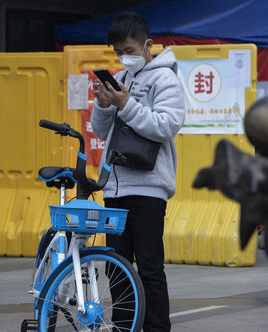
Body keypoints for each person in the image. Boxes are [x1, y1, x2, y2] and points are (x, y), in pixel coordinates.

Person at [91, 11, 185, 332]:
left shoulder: (165, 78)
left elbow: (166, 125)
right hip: (115, 189)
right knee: (116, 268)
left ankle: (157, 328)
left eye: (129, 50)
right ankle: (123, 326)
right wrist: (104, 103)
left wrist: (126, 104)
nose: (123, 57)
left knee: (149, 268)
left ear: (148, 45)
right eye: (118, 52)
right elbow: (102, 132)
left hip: (148, 190)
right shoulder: (121, 78)